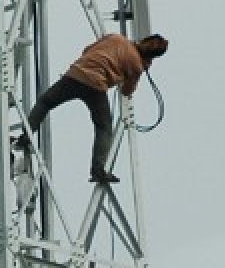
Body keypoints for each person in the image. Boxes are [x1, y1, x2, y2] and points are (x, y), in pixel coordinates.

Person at [18, 33, 168, 183]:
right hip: (96, 86)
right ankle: (98, 170)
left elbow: (87, 50)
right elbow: (126, 91)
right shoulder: (136, 65)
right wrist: (140, 66)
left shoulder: (116, 38)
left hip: (75, 74)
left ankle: (26, 136)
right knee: (104, 128)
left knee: (45, 102)